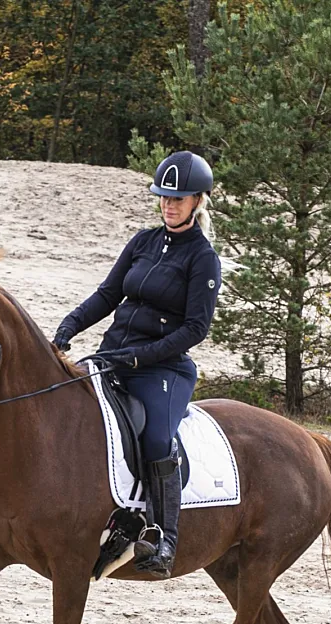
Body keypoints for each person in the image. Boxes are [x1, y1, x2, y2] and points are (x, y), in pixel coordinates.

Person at [53, 150, 221, 578]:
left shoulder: (202, 258)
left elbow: (195, 329)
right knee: (64, 410)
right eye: (164, 197)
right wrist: (68, 326)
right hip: (112, 356)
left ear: (198, 201)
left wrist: (140, 355)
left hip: (163, 370)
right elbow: (109, 294)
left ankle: (165, 538)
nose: (169, 205)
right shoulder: (143, 242)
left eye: (178, 199)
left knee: (156, 439)